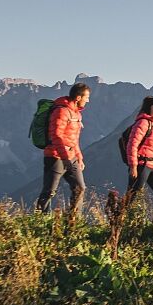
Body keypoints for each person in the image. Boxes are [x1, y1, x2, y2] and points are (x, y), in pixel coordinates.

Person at [37, 81, 91, 215]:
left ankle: (73, 222)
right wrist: (65, 157)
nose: (88, 101)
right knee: (49, 192)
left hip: (71, 157)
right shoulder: (61, 111)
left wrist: (79, 157)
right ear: (78, 98)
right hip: (55, 156)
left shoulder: (77, 114)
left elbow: (74, 139)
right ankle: (41, 221)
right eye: (87, 97)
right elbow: (56, 136)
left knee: (80, 188)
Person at [123, 95, 153, 217]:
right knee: (132, 197)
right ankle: (118, 223)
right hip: (142, 166)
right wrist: (133, 166)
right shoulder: (143, 123)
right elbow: (132, 145)